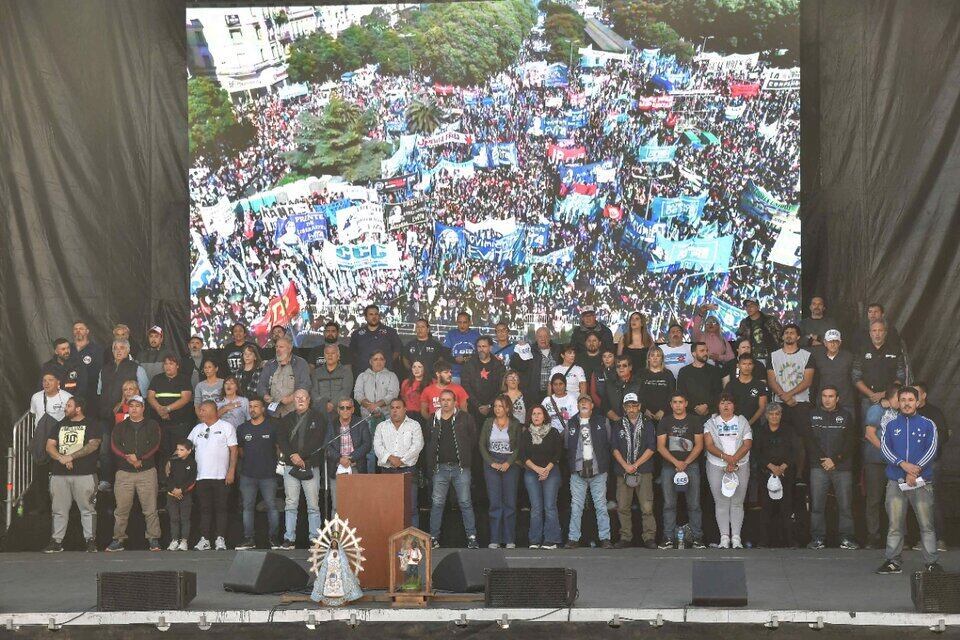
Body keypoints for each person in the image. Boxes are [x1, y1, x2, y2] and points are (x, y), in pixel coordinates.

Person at [876, 387, 941, 574]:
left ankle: (931, 563)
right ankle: (892, 561)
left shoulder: (928, 424)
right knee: (895, 524)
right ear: (898, 402)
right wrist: (903, 465)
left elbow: (932, 449)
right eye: (903, 399)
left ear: (918, 402)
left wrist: (914, 470)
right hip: (896, 482)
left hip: (921, 482)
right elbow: (885, 449)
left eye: (910, 399)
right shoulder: (890, 425)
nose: (906, 403)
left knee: (926, 525)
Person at [44, 397, 101, 553]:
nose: (65, 408)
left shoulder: (91, 424)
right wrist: (62, 458)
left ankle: (90, 541)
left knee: (87, 509)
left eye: (69, 406)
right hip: (59, 474)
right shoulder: (59, 425)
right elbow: (49, 446)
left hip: (84, 473)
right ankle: (56, 542)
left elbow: (93, 445)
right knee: (58, 509)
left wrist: (71, 457)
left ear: (78, 408)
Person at [106, 395, 161, 552]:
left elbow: (156, 444)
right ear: (127, 408)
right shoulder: (120, 426)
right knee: (121, 510)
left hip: (147, 472)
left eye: (137, 405)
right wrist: (128, 457)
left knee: (150, 509)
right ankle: (118, 539)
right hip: (124, 473)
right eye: (131, 406)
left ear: (143, 408)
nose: (134, 408)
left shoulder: (152, 424)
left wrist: (140, 458)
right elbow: (114, 445)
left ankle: (153, 539)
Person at [425, 389, 479, 549]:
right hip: (439, 468)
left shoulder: (466, 418)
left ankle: (472, 537)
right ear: (439, 402)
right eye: (443, 399)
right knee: (437, 503)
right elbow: (428, 441)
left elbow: (473, 440)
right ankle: (433, 538)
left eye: (449, 399)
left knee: (465, 502)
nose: (446, 402)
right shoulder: (433, 420)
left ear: (455, 402)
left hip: (460, 468)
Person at [805, 387, 857, 550]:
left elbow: (850, 442)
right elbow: (809, 441)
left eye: (831, 396)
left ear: (838, 398)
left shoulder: (846, 416)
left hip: (842, 468)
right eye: (824, 396)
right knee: (817, 505)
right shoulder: (812, 415)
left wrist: (835, 460)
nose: (827, 399)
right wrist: (824, 460)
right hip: (818, 467)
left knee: (845, 506)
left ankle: (846, 539)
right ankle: (817, 539)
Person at [277, 390, 327, 548]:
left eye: (304, 397)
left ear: (309, 399)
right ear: (293, 400)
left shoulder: (318, 418)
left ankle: (315, 538)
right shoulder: (286, 419)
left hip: (310, 464)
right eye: (298, 397)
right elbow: (281, 439)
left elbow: (317, 440)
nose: (301, 400)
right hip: (291, 465)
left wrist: (301, 457)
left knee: (313, 505)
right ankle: (289, 538)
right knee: (291, 503)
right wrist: (293, 455)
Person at [703, 393, 753, 549]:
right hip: (716, 465)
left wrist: (734, 460)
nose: (726, 406)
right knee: (721, 502)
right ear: (718, 405)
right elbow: (709, 445)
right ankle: (724, 537)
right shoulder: (710, 423)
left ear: (734, 406)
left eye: (729, 403)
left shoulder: (742, 421)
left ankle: (736, 537)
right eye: (723, 403)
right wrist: (726, 458)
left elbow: (747, 444)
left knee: (737, 502)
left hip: (740, 465)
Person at [188, 400, 238, 551]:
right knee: (204, 509)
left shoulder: (226, 427)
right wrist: (173, 460)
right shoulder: (197, 429)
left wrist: (231, 471)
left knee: (221, 508)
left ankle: (220, 539)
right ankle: (205, 539)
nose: (200, 412)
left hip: (221, 476)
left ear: (211, 410)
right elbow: (185, 447)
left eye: (202, 410)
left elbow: (234, 451)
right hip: (201, 476)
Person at [657, 393, 705, 549]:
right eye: (675, 402)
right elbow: (660, 446)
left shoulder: (695, 420)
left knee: (694, 504)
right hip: (669, 467)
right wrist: (676, 462)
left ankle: (697, 538)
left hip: (690, 466)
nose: (678, 405)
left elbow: (699, 445)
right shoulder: (665, 421)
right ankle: (668, 538)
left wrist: (685, 462)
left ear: (686, 403)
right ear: (671, 404)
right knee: (669, 504)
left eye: (681, 402)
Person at [564, 394, 613, 549]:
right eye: (581, 402)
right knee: (576, 506)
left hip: (598, 471)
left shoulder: (602, 421)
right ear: (577, 405)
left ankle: (605, 538)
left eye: (587, 402)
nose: (584, 404)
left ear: (592, 405)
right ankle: (573, 538)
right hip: (578, 471)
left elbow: (609, 442)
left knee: (601, 506)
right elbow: (567, 445)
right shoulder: (571, 422)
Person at [611, 393, 657, 549]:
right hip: (623, 471)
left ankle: (649, 537)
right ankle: (625, 537)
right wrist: (625, 465)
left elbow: (652, 447)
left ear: (639, 406)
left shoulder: (648, 423)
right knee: (623, 506)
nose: (631, 409)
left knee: (647, 507)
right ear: (624, 407)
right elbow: (614, 448)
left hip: (643, 470)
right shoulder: (618, 424)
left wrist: (635, 464)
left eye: (634, 405)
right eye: (628, 406)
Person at [235, 397, 280, 550]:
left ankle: (274, 538)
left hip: (268, 475)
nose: (252, 409)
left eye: (256, 406)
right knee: (247, 507)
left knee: (272, 506)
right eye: (251, 406)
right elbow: (240, 450)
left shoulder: (272, 427)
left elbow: (278, 448)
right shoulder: (242, 428)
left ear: (263, 409)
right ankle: (249, 539)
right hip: (248, 474)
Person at [479, 395, 522, 549]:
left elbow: (518, 446)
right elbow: (482, 445)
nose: (498, 409)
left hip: (510, 464)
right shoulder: (488, 422)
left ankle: (510, 539)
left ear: (508, 408)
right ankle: (495, 539)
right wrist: (491, 462)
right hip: (492, 463)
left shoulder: (515, 424)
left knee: (510, 502)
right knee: (495, 502)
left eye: (501, 406)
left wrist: (508, 463)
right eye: (496, 406)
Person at [863, 383, 902, 549]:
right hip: (876, 461)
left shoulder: (899, 413)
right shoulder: (875, 410)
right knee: (874, 498)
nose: (902, 403)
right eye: (899, 399)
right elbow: (869, 434)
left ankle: (898, 536)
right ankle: (873, 536)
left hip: (895, 462)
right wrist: (886, 451)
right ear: (890, 398)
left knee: (896, 499)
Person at [374, 399, 424, 526]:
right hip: (387, 471)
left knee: (411, 508)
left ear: (405, 409)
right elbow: (377, 446)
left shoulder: (414, 425)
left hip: (408, 470)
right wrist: (391, 458)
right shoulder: (382, 426)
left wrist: (401, 460)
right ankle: (389, 540)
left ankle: (412, 542)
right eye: (392, 408)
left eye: (398, 407)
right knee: (388, 507)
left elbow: (418, 445)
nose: (395, 410)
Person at [754, 403, 796, 547]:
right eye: (771, 414)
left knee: (786, 508)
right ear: (766, 416)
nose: (774, 417)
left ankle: (789, 541)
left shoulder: (789, 430)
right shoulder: (760, 431)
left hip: (785, 474)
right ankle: (764, 541)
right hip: (766, 473)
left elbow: (794, 451)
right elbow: (756, 453)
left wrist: (783, 466)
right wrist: (771, 467)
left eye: (777, 414)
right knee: (766, 508)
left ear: (780, 415)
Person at [521, 406, 563, 549]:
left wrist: (546, 469)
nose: (536, 416)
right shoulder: (526, 434)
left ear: (544, 416)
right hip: (532, 472)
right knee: (536, 507)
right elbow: (523, 456)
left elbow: (558, 453)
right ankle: (535, 540)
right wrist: (538, 469)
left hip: (551, 471)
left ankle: (551, 540)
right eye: (533, 414)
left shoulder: (553, 432)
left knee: (550, 506)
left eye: (539, 414)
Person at [915, 381, 949, 551]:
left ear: (924, 395)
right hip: (912, 466)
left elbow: (942, 436)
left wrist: (926, 454)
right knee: (919, 502)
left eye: (916, 393)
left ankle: (941, 539)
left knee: (933, 500)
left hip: (931, 464)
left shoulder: (934, 413)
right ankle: (924, 540)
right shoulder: (908, 413)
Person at [853, 321, 906, 421]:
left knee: (890, 430)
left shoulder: (896, 351)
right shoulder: (861, 351)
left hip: (890, 399)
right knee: (869, 432)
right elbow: (856, 377)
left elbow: (901, 376)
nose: (877, 334)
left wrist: (884, 394)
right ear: (870, 333)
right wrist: (871, 395)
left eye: (880, 330)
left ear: (885, 333)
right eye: (874, 330)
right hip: (867, 399)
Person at [767, 325, 815, 436]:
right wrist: (784, 397)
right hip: (779, 403)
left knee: (801, 437)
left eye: (792, 333)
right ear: (782, 336)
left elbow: (807, 381)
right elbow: (771, 381)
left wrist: (787, 395)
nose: (789, 335)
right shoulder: (773, 356)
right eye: (786, 333)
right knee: (780, 436)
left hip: (800, 402)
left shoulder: (807, 356)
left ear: (798, 337)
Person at [325, 396, 371, 511]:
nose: (345, 410)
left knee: (357, 505)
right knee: (337, 506)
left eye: (348, 407)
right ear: (338, 410)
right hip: (337, 467)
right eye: (342, 407)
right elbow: (327, 445)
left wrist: (351, 458)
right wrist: (339, 459)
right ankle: (336, 529)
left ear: (353, 409)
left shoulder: (361, 423)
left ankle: (356, 529)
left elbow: (367, 445)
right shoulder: (331, 424)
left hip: (356, 467)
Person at [147, 355, 194, 461]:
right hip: (160, 423)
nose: (168, 366)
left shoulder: (184, 379)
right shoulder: (157, 378)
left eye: (171, 363)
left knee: (178, 453)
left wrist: (167, 409)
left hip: (179, 424)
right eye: (166, 364)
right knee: (161, 452)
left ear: (177, 366)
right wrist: (160, 409)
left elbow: (185, 398)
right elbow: (150, 396)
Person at [258, 336, 311, 417]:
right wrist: (265, 395)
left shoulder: (301, 363)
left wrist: (291, 398)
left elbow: (305, 384)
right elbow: (261, 385)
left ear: (290, 349)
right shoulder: (270, 364)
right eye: (276, 347)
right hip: (272, 412)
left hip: (294, 411)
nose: (278, 350)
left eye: (281, 347)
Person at [97, 339, 148, 420]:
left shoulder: (137, 368)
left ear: (128, 350)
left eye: (122, 348)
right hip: (105, 414)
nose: (118, 351)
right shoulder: (104, 369)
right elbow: (99, 392)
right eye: (115, 348)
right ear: (112, 351)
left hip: (127, 415)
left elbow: (145, 395)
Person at [462, 336, 507, 424]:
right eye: (479, 347)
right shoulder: (469, 363)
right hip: (473, 408)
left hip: (493, 409)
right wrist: (478, 405)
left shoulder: (498, 365)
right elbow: (465, 385)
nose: (481, 349)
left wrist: (489, 405)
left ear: (490, 348)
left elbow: (501, 388)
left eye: (484, 346)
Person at [810, 329, 855, 415]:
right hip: (823, 403)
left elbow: (855, 378)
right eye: (830, 341)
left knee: (848, 427)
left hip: (845, 402)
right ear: (825, 343)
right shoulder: (818, 358)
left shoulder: (849, 357)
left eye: (836, 341)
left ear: (840, 343)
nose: (833, 344)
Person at [163, 439, 197, 551]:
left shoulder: (192, 463)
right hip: (171, 494)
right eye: (177, 449)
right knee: (174, 518)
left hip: (185, 495)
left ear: (189, 451)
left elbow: (192, 480)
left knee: (185, 518)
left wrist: (181, 490)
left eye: (182, 450)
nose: (178, 451)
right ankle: (174, 540)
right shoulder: (172, 461)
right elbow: (168, 477)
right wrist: (173, 490)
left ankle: (184, 541)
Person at [514, 327, 560, 408]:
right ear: (536, 338)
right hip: (534, 394)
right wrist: (519, 350)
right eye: (540, 336)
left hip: (554, 393)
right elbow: (516, 365)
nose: (543, 339)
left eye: (545, 336)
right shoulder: (529, 350)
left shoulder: (558, 350)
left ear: (550, 337)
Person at [349, 304, 403, 373]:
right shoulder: (357, 334)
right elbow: (352, 352)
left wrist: (388, 361)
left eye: (376, 314)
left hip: (385, 373)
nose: (374, 317)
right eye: (371, 314)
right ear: (365, 317)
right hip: (363, 374)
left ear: (379, 316)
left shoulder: (390, 332)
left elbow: (398, 349)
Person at [677, 342, 723, 419]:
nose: (705, 353)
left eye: (706, 350)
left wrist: (706, 406)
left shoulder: (714, 370)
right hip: (689, 414)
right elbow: (681, 393)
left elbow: (718, 392)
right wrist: (695, 407)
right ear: (694, 353)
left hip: (711, 413)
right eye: (702, 351)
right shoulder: (684, 372)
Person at [311, 343, 354, 418]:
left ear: (338, 356)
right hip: (320, 411)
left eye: (333, 353)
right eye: (327, 353)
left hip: (340, 411)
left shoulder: (346, 372)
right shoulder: (316, 373)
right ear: (324, 356)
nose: (330, 355)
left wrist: (332, 404)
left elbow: (346, 390)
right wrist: (324, 405)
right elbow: (313, 391)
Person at [724, 353, 768, 426]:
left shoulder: (760, 385)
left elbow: (762, 407)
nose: (747, 367)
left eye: (749, 364)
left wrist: (749, 423)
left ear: (753, 366)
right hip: (734, 425)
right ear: (738, 366)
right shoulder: (730, 385)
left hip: (754, 425)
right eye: (744, 364)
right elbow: (726, 405)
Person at [736, 299, 783, 366]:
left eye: (751, 305)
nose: (749, 308)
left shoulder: (770, 320)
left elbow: (781, 335)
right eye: (747, 306)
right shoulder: (744, 322)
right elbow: (740, 339)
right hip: (752, 358)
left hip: (771, 356)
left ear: (758, 307)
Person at [638, 346, 675, 423]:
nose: (655, 358)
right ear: (648, 359)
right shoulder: (641, 374)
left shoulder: (668, 374)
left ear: (662, 359)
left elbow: (672, 394)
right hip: (644, 415)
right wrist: (644, 410)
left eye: (658, 356)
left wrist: (663, 411)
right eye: (652, 355)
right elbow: (637, 394)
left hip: (665, 415)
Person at [70, 321, 103, 403]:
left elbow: (100, 371)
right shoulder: (68, 349)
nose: (78, 331)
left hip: (90, 392)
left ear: (87, 331)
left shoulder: (96, 349)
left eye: (81, 329)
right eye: (75, 329)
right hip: (70, 391)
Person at [443, 311, 480, 382]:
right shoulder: (451, 334)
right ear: (457, 322)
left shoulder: (476, 335)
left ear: (470, 323)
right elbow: (445, 354)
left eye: (465, 322)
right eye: (460, 322)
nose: (462, 325)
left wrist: (466, 358)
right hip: (454, 374)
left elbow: (481, 353)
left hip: (472, 374)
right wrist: (455, 359)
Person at [606, 355, 641, 422]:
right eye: (618, 366)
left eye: (624, 365)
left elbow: (642, 403)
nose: (621, 368)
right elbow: (605, 404)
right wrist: (616, 419)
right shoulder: (609, 383)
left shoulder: (638, 382)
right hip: (614, 421)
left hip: (635, 421)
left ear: (630, 367)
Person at [589, 349, 617, 416]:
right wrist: (604, 408)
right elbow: (593, 392)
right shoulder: (596, 371)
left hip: (617, 407)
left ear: (614, 358)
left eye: (610, 356)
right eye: (604, 356)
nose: (607, 359)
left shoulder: (619, 370)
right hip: (600, 407)